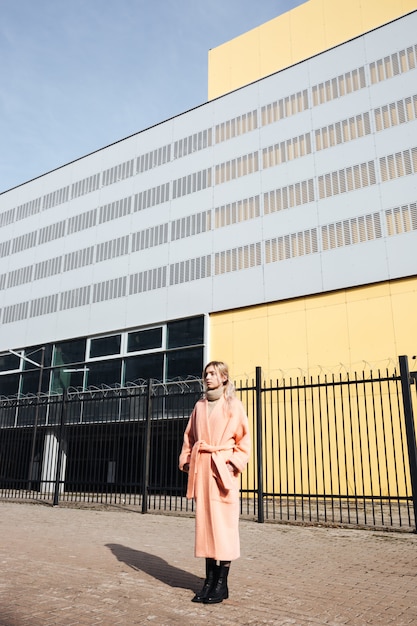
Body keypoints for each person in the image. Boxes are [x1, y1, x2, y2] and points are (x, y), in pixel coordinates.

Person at [179, 360, 251, 604]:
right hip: (203, 474)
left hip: (223, 473)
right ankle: (209, 581)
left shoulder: (233, 406)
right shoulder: (199, 406)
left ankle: (222, 583)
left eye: (213, 373)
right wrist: (187, 459)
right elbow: (189, 436)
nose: (208, 377)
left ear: (224, 378)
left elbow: (244, 442)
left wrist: (232, 465)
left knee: (225, 528)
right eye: (206, 373)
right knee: (207, 528)